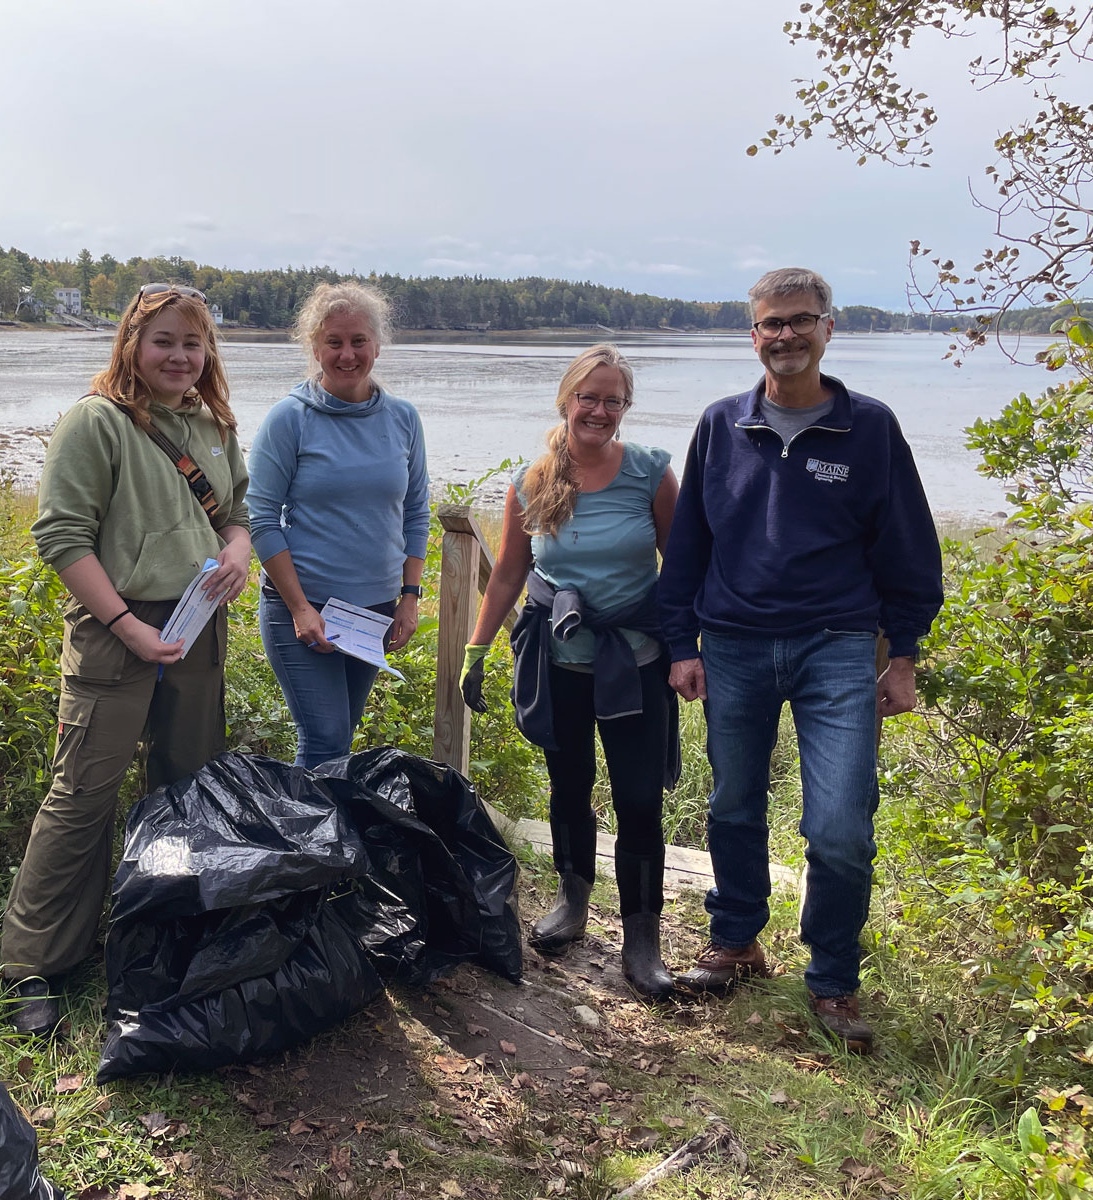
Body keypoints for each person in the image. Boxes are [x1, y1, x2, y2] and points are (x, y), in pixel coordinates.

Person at [658, 267, 943, 1051]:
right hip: (736, 646)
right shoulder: (722, 425)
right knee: (733, 805)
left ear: (827, 328)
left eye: (798, 321)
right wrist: (682, 643)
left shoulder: (871, 429)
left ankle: (833, 982)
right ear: (753, 335)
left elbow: (910, 550)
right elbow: (688, 548)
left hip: (838, 650)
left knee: (842, 825)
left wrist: (904, 656)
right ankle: (738, 939)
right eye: (768, 324)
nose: (783, 335)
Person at [0, 284, 253, 1037]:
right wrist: (123, 623)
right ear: (131, 345)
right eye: (164, 341)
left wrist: (237, 551)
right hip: (117, 629)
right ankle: (34, 963)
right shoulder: (96, 422)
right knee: (83, 795)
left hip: (197, 626)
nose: (179, 356)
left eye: (193, 343)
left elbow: (238, 513)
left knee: (185, 787)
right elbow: (62, 537)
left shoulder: (214, 424)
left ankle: (162, 931)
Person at [458, 344, 681, 1000]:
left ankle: (643, 939)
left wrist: (696, 648)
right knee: (569, 785)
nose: (600, 410)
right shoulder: (533, 480)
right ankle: (574, 901)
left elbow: (686, 563)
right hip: (560, 659)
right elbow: (508, 572)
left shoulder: (650, 473)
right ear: (566, 400)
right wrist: (476, 648)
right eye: (590, 397)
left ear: (625, 409)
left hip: (636, 658)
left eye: (614, 400)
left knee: (640, 799)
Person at [247, 281, 430, 768]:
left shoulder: (403, 418)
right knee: (325, 739)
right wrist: (301, 608)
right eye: (334, 342)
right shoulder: (289, 419)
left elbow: (415, 512)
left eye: (357, 341)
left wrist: (409, 598)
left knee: (340, 738)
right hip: (305, 610)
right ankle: (317, 844)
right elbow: (262, 518)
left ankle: (325, 840)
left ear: (377, 344)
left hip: (373, 611)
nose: (347, 355)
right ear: (315, 348)